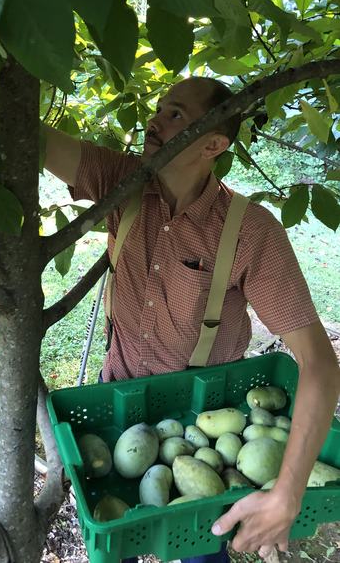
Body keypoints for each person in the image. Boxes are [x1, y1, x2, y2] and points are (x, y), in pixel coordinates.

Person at [43, 76, 340, 563]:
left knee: (200, 550)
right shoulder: (124, 181)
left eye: (176, 114)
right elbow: (30, 138)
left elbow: (320, 366)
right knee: (113, 533)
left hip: (195, 424)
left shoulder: (249, 231)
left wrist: (287, 493)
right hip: (116, 396)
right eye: (161, 109)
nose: (155, 121)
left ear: (214, 144)